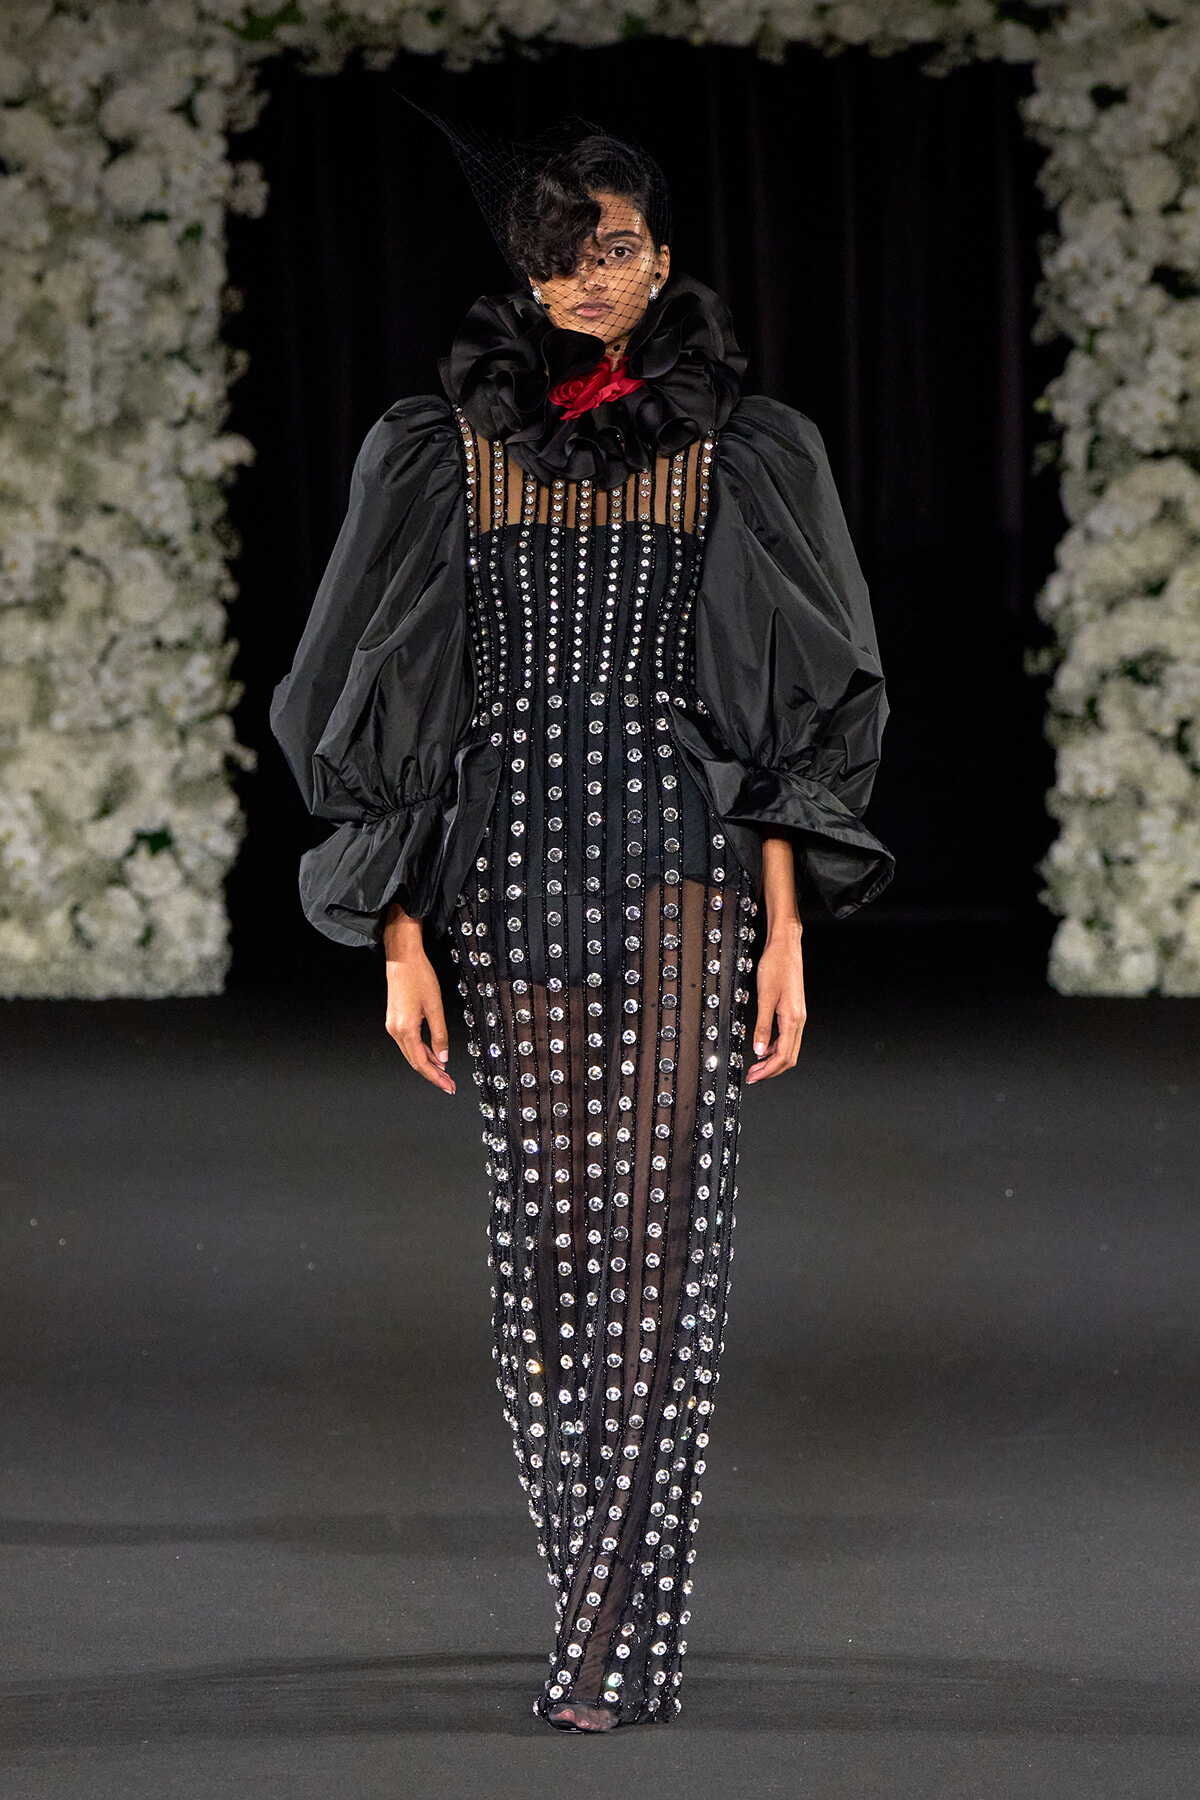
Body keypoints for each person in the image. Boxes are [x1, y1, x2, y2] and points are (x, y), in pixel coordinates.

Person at [270, 113, 894, 1733]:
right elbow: (371, 688)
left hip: (683, 863)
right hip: (509, 867)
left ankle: (603, 1646)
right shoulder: (439, 448)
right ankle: (604, 1618)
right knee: (548, 1259)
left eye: (615, 245)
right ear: (522, 267)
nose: (589, 278)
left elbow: (792, 714)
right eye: (559, 251)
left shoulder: (746, 451)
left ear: (664, 255)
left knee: (666, 1251)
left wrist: (791, 935)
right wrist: (399, 936)